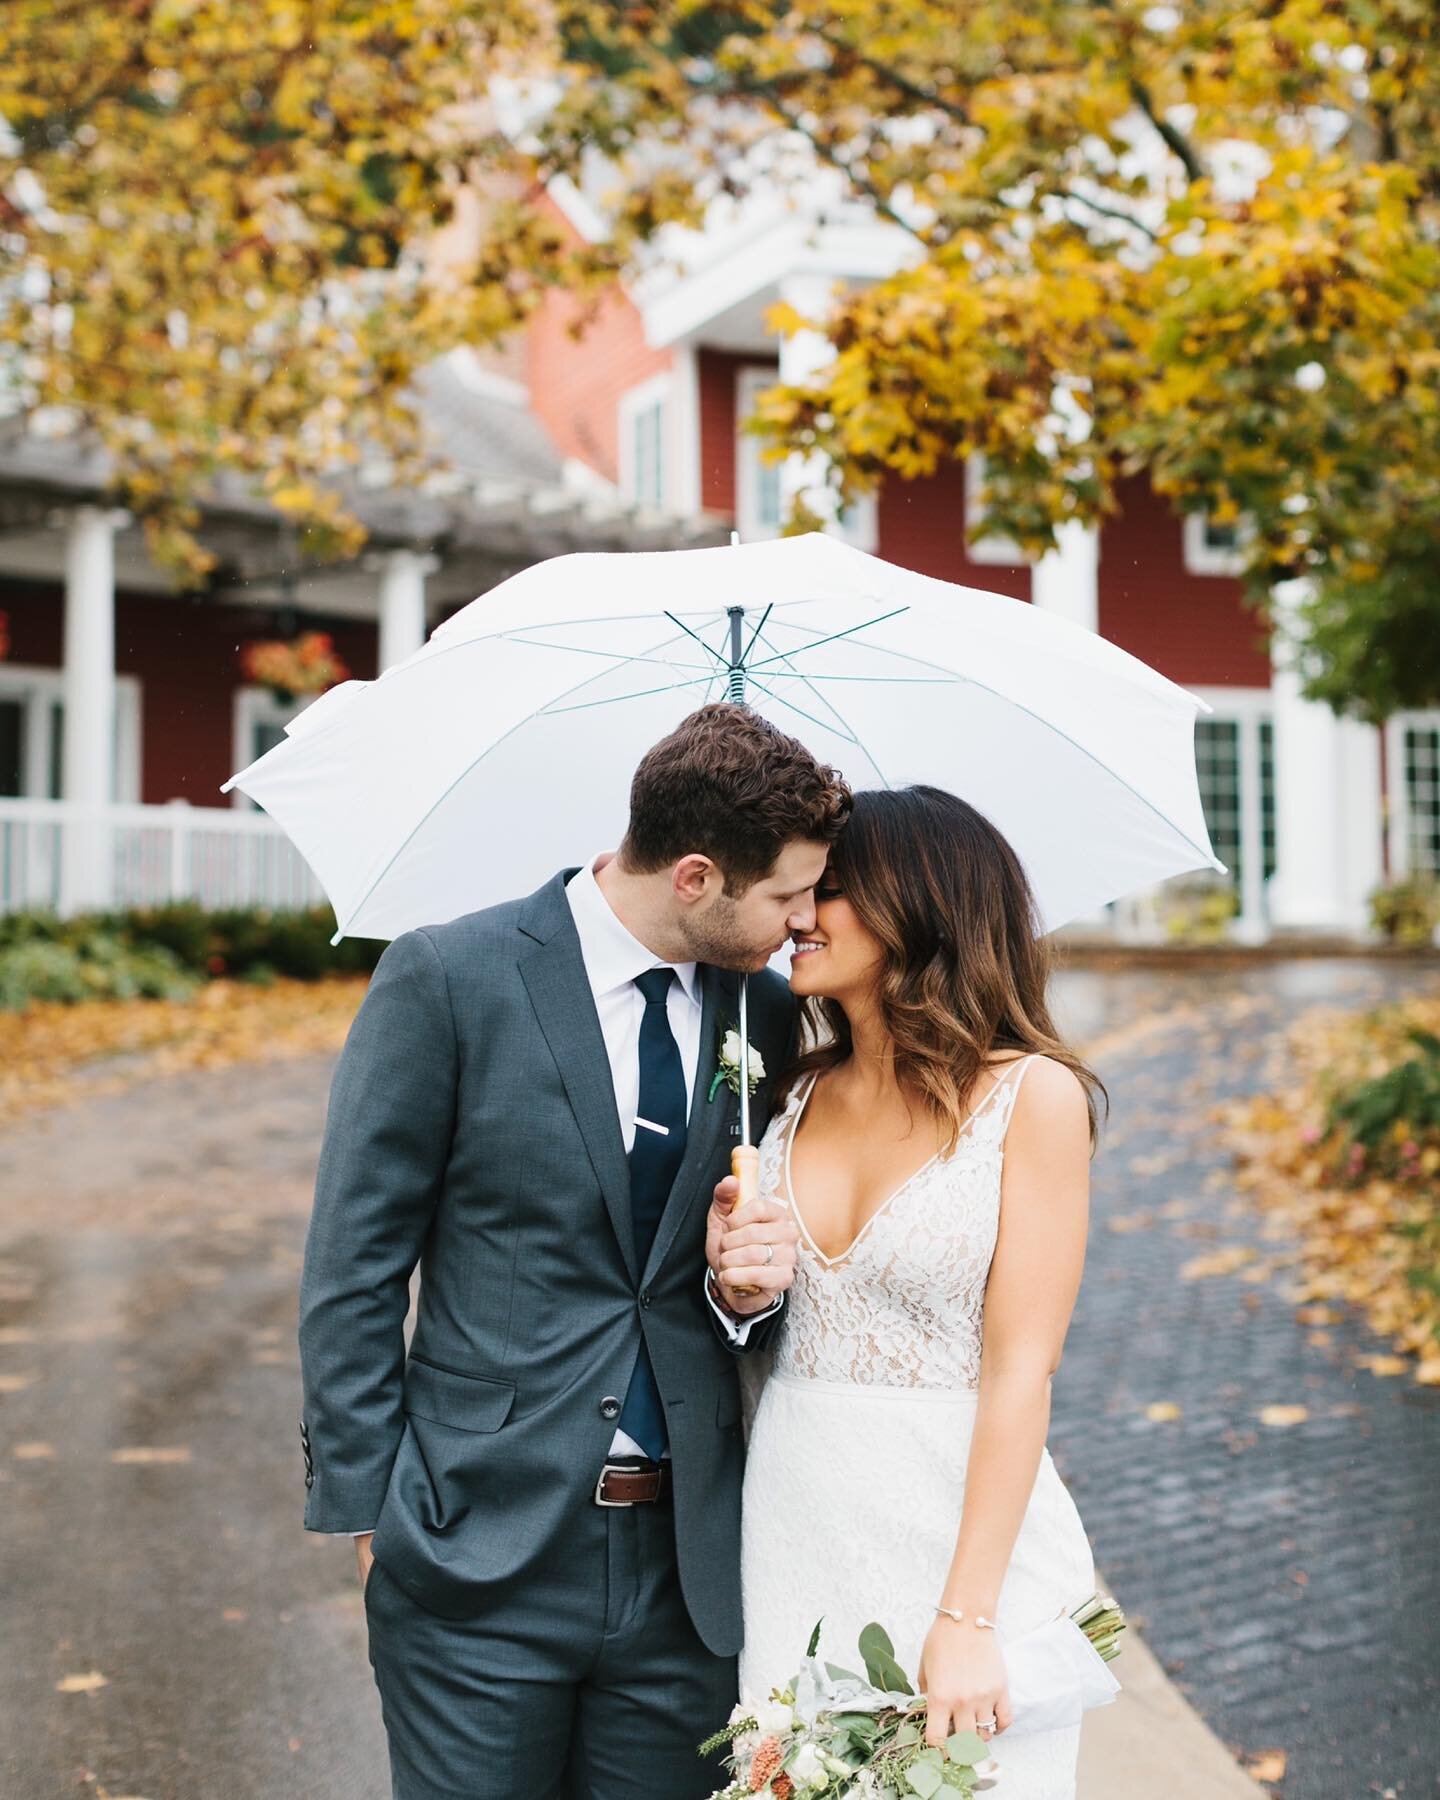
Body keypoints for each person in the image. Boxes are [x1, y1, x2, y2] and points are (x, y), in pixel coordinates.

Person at [297, 702, 851, 1799]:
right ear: (697, 877)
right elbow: (355, 1263)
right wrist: (374, 1515)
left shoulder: (771, 1015)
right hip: (475, 1554)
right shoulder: (449, 978)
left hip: (688, 1570)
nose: (803, 922)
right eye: (788, 893)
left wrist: (747, 1292)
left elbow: (739, 1293)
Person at [723, 786, 1105, 1798]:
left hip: (956, 1535)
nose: (798, 914)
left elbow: (1025, 1366)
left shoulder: (1033, 1097)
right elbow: (762, 1326)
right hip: (797, 1523)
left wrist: (966, 1617)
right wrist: (744, 1281)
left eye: (831, 892)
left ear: (919, 904)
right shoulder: (792, 1092)